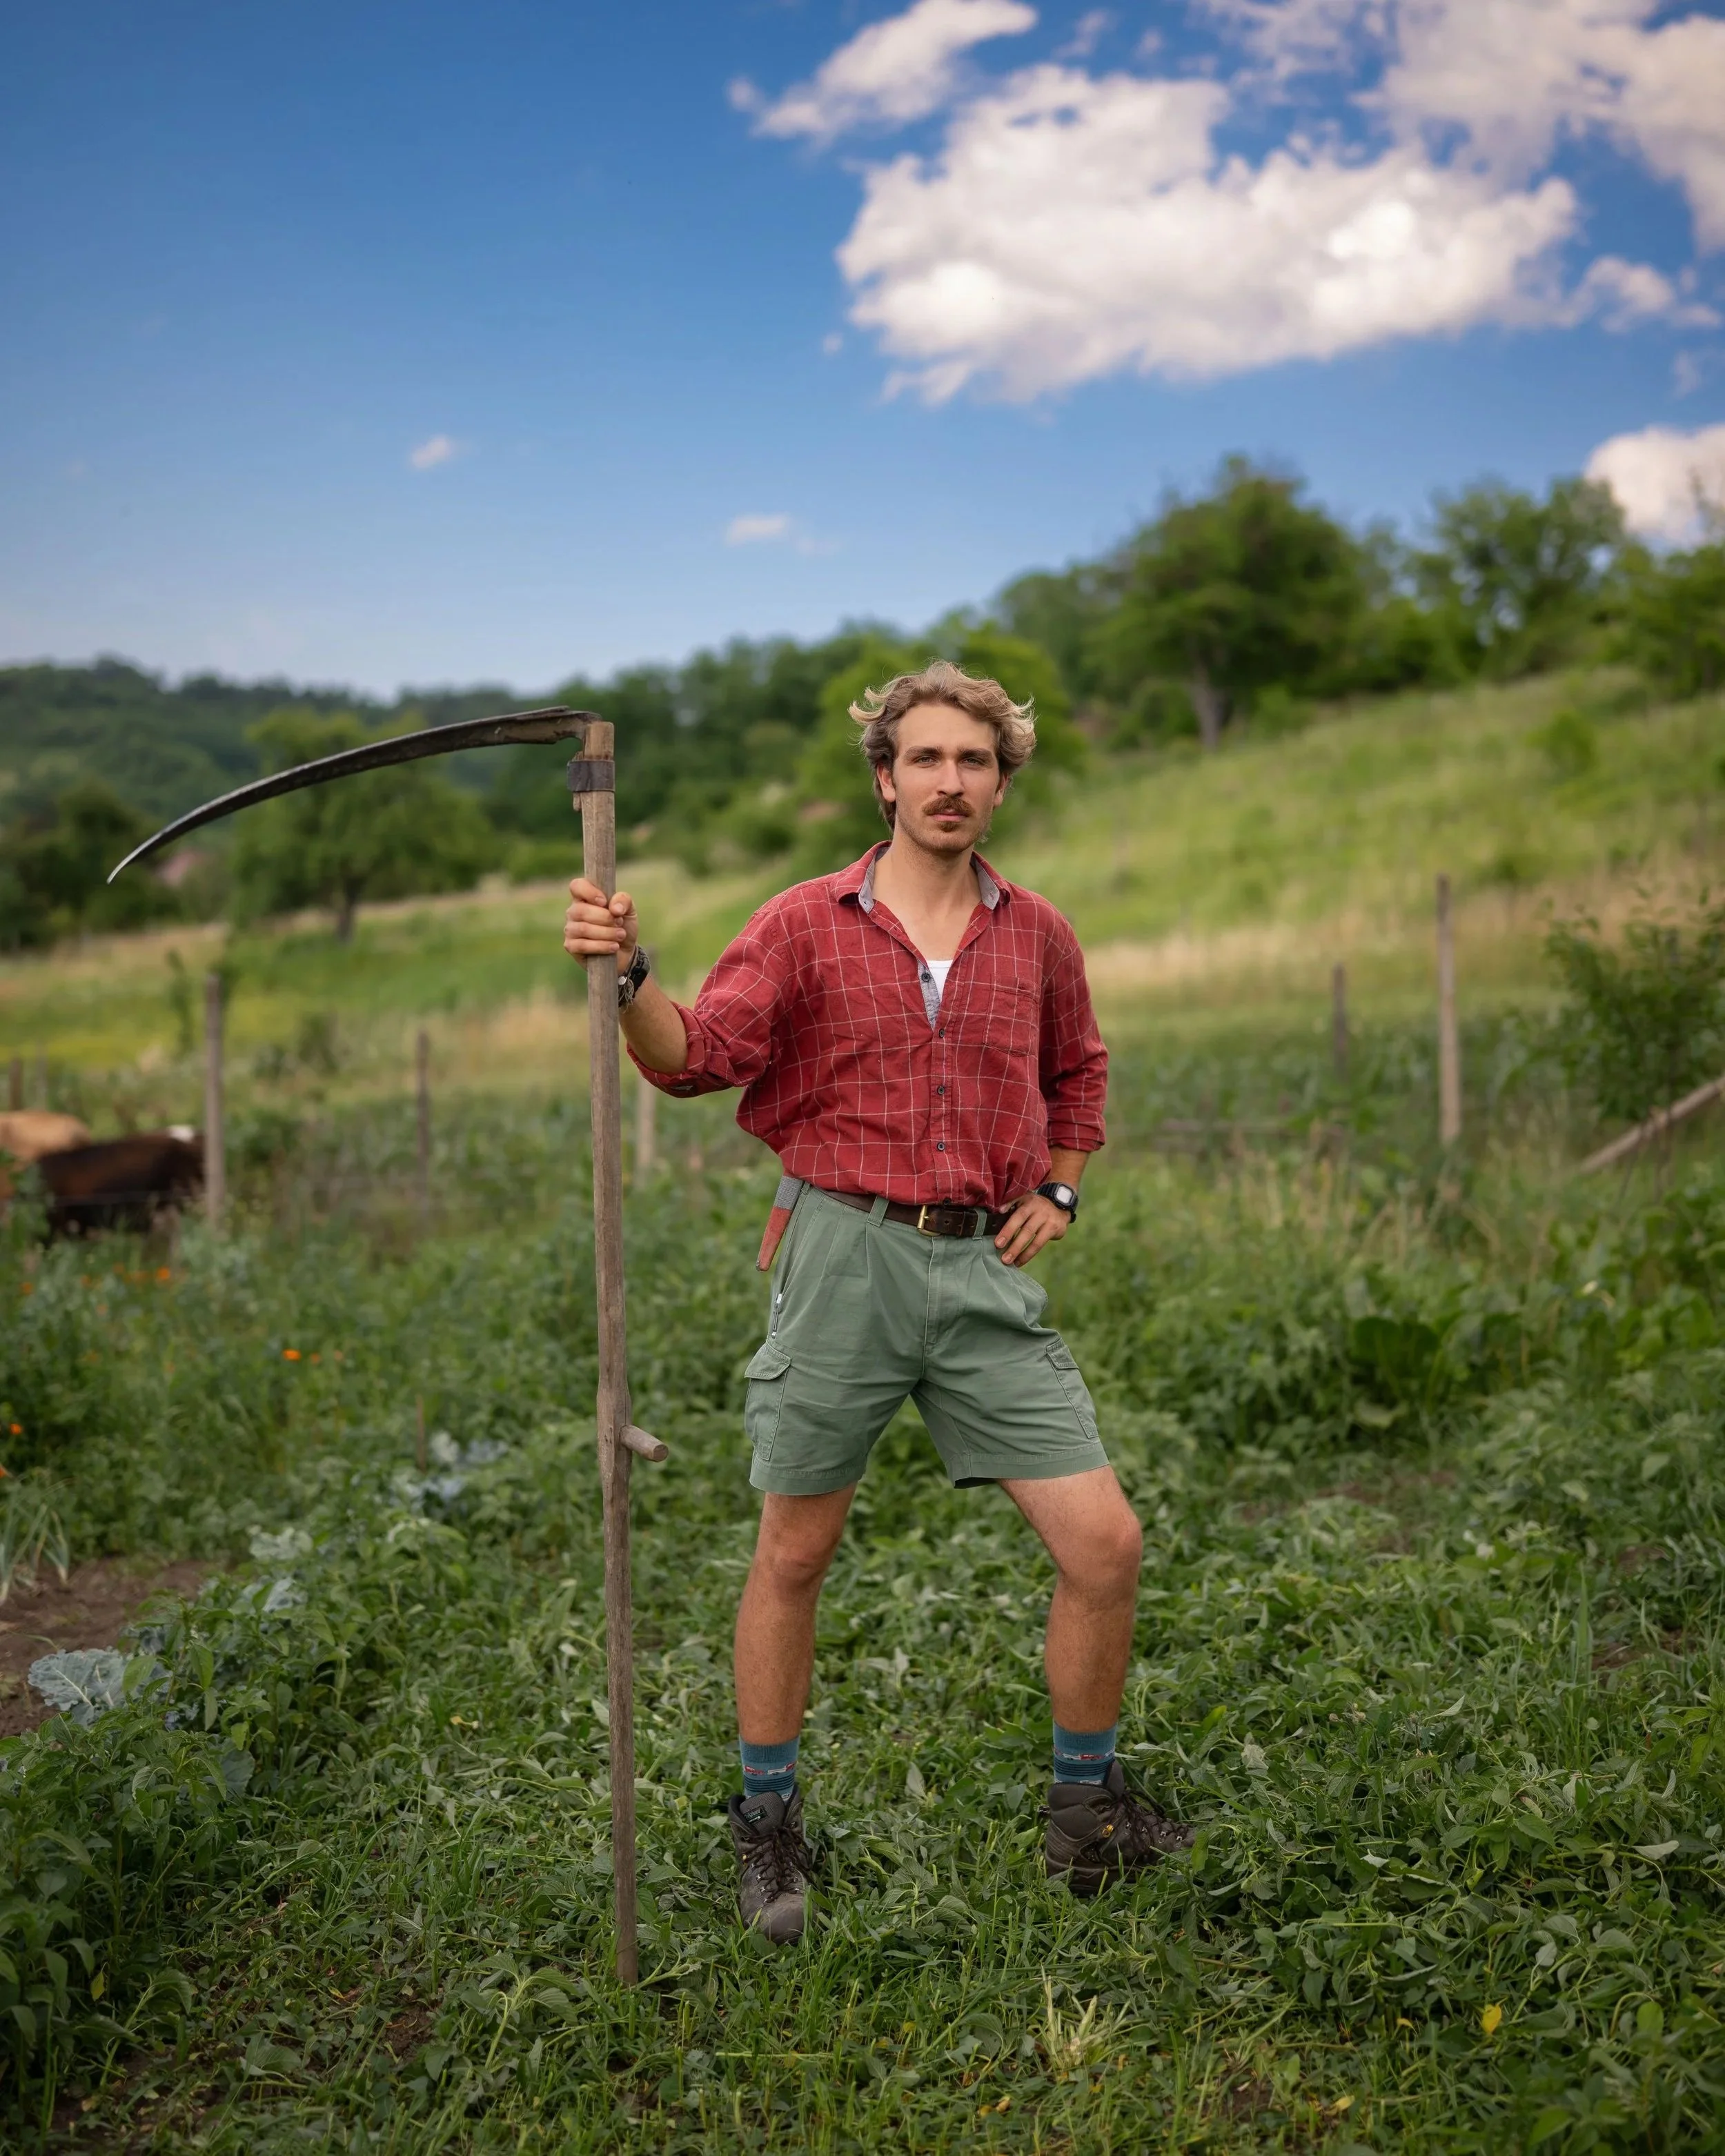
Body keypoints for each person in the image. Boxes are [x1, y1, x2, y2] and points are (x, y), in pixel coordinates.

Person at [562, 660, 1190, 1943]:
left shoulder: (1039, 934)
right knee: (794, 1553)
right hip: (843, 1256)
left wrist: (1062, 1188)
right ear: (886, 779)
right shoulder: (804, 922)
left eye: (975, 761)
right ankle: (768, 1824)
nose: (951, 781)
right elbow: (698, 1057)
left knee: (1106, 1546)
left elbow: (1079, 1070)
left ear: (1001, 783)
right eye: (927, 759)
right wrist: (628, 980)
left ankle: (1086, 1816)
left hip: (981, 1271)